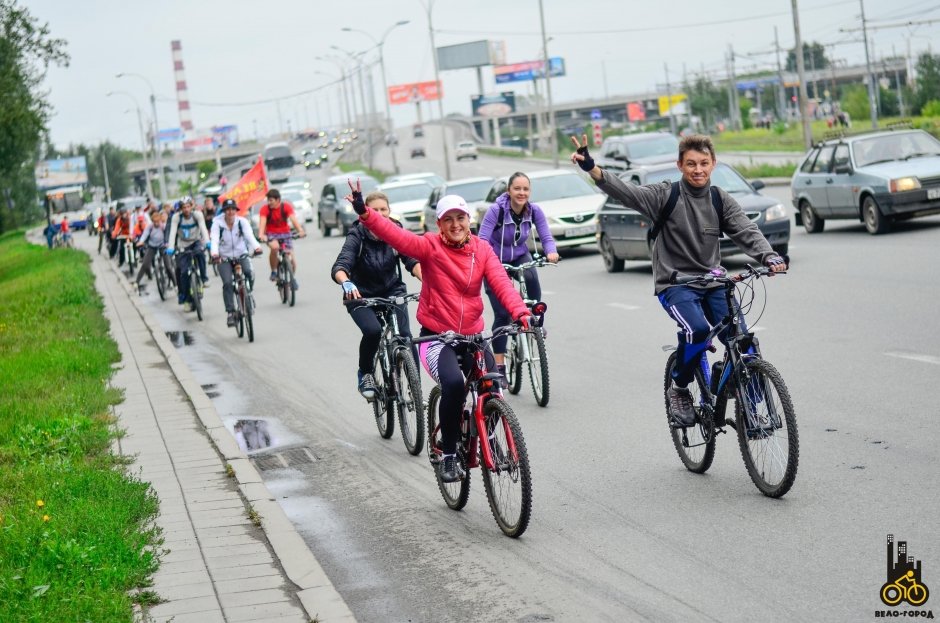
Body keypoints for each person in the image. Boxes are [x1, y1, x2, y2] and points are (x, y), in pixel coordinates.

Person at [570, 133, 787, 428]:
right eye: (691, 164)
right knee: (697, 330)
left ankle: (753, 408)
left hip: (712, 282)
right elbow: (627, 193)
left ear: (713, 164)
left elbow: (745, 229)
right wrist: (593, 169)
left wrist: (768, 256)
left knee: (744, 340)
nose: (698, 169)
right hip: (675, 284)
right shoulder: (665, 195)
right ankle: (681, 388)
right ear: (680, 165)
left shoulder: (718, 198)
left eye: (704, 163)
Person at [345, 180, 531, 484]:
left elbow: (502, 284)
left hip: (473, 337)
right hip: (435, 338)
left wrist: (521, 313)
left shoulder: (482, 250)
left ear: (468, 220)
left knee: (493, 387)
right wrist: (365, 213)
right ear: (439, 224)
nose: (455, 225)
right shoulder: (429, 246)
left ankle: (489, 436)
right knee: (455, 384)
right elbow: (396, 235)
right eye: (448, 220)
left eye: (460, 218)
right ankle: (447, 454)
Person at [330, 190, 423, 400]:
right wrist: (346, 282)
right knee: (373, 331)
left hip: (392, 291)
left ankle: (414, 388)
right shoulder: (357, 234)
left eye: (384, 210)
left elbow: (411, 260)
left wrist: (424, 278)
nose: (380, 214)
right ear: (365, 212)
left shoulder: (395, 230)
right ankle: (366, 373)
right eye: (375, 210)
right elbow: (341, 264)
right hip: (360, 295)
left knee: (405, 337)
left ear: (390, 212)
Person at [476, 171, 560, 384]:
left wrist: (551, 252)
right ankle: (500, 367)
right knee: (502, 314)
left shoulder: (534, 211)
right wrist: (486, 264)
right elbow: (482, 240)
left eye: (525, 189)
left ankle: (536, 322)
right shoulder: (496, 211)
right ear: (509, 191)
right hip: (494, 260)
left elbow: (546, 236)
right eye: (517, 188)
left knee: (531, 275)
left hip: (520, 255)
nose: (521, 193)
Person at [210, 199, 263, 327]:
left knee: (248, 272)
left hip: (241, 254)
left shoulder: (242, 222)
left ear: (236, 210)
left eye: (233, 209)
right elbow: (215, 241)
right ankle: (230, 312)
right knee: (227, 283)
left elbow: (250, 236)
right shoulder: (217, 224)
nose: (230, 212)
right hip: (224, 257)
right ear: (224, 211)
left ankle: (248, 293)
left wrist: (257, 247)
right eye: (228, 209)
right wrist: (215, 254)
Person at [166, 196, 210, 311]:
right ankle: (186, 299)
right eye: (183, 207)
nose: (186, 209)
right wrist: (171, 247)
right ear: (180, 208)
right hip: (183, 245)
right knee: (184, 273)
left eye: (188, 207)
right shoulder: (176, 217)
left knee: (200, 253)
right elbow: (172, 232)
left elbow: (203, 229)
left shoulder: (197, 215)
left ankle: (204, 279)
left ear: (191, 207)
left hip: (196, 241)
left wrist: (208, 242)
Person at [258, 189, 306, 289]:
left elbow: (293, 220)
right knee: (274, 248)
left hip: (285, 234)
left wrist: (300, 231)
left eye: (271, 200)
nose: (269, 202)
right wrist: (261, 235)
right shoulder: (265, 209)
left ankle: (291, 279)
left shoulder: (286, 207)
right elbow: (262, 223)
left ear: (278, 199)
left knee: (292, 261)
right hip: (271, 234)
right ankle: (274, 271)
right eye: (268, 200)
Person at [134, 210, 174, 293]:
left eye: (158, 221)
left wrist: (168, 244)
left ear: (160, 220)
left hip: (163, 246)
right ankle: (136, 282)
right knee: (145, 263)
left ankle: (175, 284)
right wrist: (141, 241)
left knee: (168, 266)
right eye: (154, 222)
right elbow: (145, 234)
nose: (156, 223)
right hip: (152, 246)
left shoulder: (163, 226)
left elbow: (168, 235)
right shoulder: (150, 227)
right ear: (152, 221)